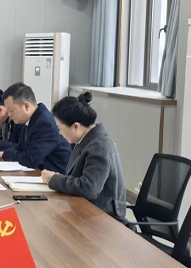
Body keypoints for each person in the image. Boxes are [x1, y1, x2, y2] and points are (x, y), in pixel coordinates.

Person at [41, 92, 127, 222]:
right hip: (87, 208)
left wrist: (54, 179)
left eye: (60, 128)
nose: (60, 133)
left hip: (105, 217)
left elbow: (88, 188)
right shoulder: (86, 140)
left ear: (75, 126)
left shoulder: (99, 146)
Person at [0, 83, 72, 171]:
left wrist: (5, 155)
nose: (9, 115)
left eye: (11, 110)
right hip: (40, 172)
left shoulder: (44, 123)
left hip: (54, 175)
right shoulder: (31, 119)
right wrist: (2, 153)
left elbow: (31, 159)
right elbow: (20, 148)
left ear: (26, 106)